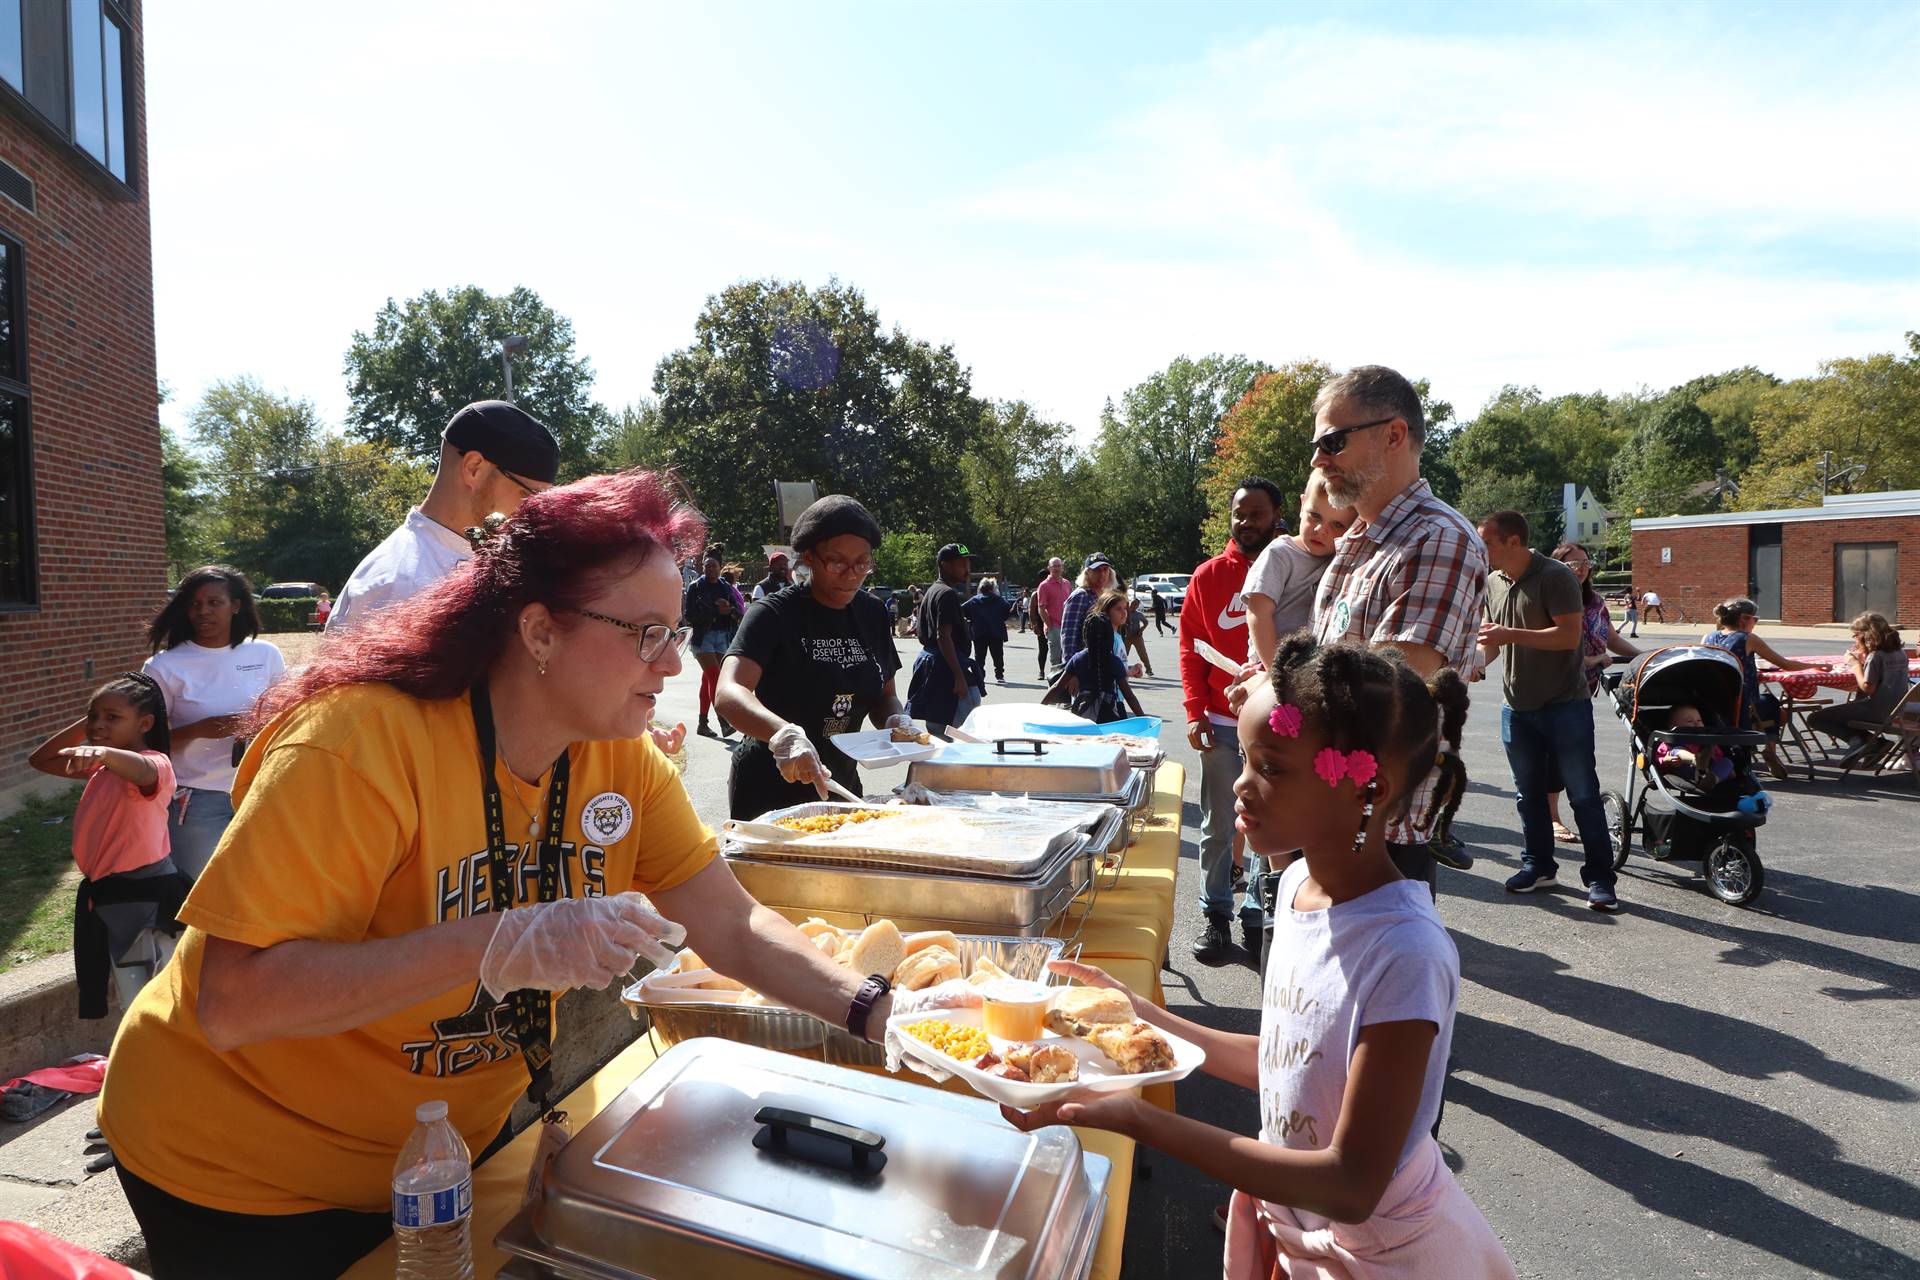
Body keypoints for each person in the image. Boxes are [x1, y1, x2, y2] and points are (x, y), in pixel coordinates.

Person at [98, 473, 962, 1278]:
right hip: (237, 1172)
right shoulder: (358, 744)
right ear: (541, 630)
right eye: (646, 633)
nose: (672, 664)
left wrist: (885, 1012)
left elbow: (733, 926)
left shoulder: (617, 761)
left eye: (675, 631)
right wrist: (496, 939)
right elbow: (236, 1001)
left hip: (430, 1158)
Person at [1003, 639, 1512, 1280]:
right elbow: (1288, 1062)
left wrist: (1141, 1120)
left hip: (1384, 1253)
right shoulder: (1297, 886)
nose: (1241, 784)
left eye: (1272, 767)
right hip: (1301, 1228)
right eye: (1245, 759)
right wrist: (1140, 1018)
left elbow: (1352, 1184)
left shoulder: (1405, 952)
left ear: (1369, 787)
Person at [1305, 366, 1486, 889]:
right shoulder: (1360, 538)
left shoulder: (1437, 538)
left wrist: (1273, 694)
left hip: (1376, 826)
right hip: (1329, 807)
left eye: (1333, 442)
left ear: (1394, 434)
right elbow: (1330, 659)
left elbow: (1387, 690)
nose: (1319, 460)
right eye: (1317, 445)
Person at [716, 496, 909, 819]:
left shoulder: (872, 613)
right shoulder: (774, 613)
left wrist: (896, 721)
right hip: (770, 783)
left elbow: (884, 695)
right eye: (837, 563)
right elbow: (728, 691)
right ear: (809, 557)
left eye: (862, 563)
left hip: (839, 783)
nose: (851, 575)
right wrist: (784, 735)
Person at [1476, 511, 1620, 910]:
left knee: (1583, 795)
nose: (1481, 549)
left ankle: (1600, 879)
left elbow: (1567, 637)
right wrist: (1470, 666)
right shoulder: (1493, 582)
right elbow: (1493, 639)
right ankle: (1539, 866)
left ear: (1514, 542)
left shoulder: (1556, 576)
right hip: (1516, 707)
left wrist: (1508, 635)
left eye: (1487, 542)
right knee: (1528, 795)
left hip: (1564, 705)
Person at [29, 672, 188, 1016]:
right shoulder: (100, 769)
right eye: (94, 716)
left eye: (113, 718)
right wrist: (91, 730)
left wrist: (102, 749)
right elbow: (40, 760)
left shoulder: (155, 765)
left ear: (144, 723)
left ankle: (165, 1064)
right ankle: (141, 1065)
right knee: (133, 1004)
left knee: (159, 1005)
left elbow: (143, 769)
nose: (99, 724)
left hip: (147, 902)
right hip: (109, 900)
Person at [327, 400, 557, 631]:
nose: (532, 512)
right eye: (528, 495)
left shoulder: (481, 555)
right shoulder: (400, 589)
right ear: (473, 468)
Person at [1180, 477, 1286, 963]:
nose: (1246, 522)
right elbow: (1190, 649)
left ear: (1277, 516)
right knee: (1219, 823)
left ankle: (1257, 915)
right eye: (1239, 513)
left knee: (1268, 824)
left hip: (1274, 726)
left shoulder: (1295, 568)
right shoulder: (1208, 576)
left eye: (1256, 513)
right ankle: (1215, 915)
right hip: (1221, 725)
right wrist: (1195, 710)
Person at [141, 567, 286, 883]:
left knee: (258, 888)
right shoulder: (163, 667)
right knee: (198, 893)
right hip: (195, 800)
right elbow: (144, 746)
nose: (203, 611)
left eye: (213, 602)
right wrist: (200, 729)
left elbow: (284, 715)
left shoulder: (265, 654)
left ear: (235, 606)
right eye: (194, 604)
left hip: (258, 790)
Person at [1544, 542, 1639, 844]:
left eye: (1586, 562)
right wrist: (1594, 660)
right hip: (1552, 686)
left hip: (1583, 688)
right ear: (1559, 567)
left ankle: (1577, 819)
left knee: (1578, 756)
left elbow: (1611, 638)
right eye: (1574, 564)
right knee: (1555, 755)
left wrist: (1645, 658)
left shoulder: (1595, 601)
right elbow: (1556, 647)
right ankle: (1552, 818)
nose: (1583, 568)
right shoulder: (1551, 599)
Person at [1701, 596, 1823, 780]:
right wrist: (1815, 667)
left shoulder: (1708, 637)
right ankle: (1770, 750)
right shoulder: (1747, 639)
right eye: (1755, 619)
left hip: (1716, 704)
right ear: (1744, 619)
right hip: (1741, 705)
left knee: (1766, 704)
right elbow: (1785, 664)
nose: (1755, 623)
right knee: (1773, 705)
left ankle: (1764, 750)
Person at [1243, 474, 1352, 670]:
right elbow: (1257, 613)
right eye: (1315, 516)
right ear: (1302, 505)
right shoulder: (1280, 554)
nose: (1321, 529)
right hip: (1269, 662)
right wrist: (1273, 671)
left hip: (1307, 668)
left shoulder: (1339, 560)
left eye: (1337, 525)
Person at [1807, 612, 1912, 755]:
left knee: (1816, 718)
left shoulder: (1875, 656)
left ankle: (1859, 741)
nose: (1855, 641)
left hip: (1877, 710)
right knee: (1847, 710)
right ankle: (1871, 742)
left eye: (1856, 636)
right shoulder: (1899, 652)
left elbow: (1868, 688)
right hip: (1898, 710)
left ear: (1865, 636)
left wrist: (1855, 665)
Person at [906, 544, 981, 739]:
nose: (967, 568)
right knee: (964, 734)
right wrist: (959, 676)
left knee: (939, 728)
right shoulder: (946, 594)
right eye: (961, 563)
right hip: (947, 669)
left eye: (968, 563)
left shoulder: (932, 590)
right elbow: (943, 636)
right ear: (944, 565)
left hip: (937, 666)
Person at [1043, 614, 1145, 722]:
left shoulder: (1078, 659)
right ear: (1110, 636)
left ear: (1085, 635)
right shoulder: (1114, 662)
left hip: (1082, 716)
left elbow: (1057, 687)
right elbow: (1129, 696)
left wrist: (1039, 708)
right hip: (1109, 717)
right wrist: (1144, 720)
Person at [687, 552, 746, 738]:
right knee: (715, 677)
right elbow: (689, 616)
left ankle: (702, 723)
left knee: (708, 679)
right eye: (707, 566)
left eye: (713, 566)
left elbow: (738, 611)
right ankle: (723, 721)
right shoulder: (695, 587)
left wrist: (728, 610)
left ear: (720, 568)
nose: (710, 569)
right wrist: (714, 611)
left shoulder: (725, 587)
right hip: (703, 637)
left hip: (722, 636)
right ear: (703, 568)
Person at [1655, 704, 1735, 786]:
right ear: (1673, 727)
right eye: (1690, 721)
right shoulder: (1670, 741)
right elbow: (1658, 757)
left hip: (1707, 771)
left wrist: (1725, 770)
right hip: (1686, 768)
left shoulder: (1706, 740)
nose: (1697, 724)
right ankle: (1694, 759)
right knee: (1676, 750)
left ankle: (1711, 780)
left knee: (1727, 762)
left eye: (1699, 720)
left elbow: (1718, 757)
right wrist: (1666, 760)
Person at [1060, 553, 1117, 669]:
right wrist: (1071, 671)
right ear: (1087, 573)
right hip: (1084, 665)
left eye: (1105, 569)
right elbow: (1069, 636)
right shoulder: (1080, 596)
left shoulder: (1105, 596)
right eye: (1096, 570)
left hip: (1102, 664)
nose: (1102, 574)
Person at [961, 576, 1015, 684]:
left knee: (979, 656)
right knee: (998, 655)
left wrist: (971, 618)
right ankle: (999, 675)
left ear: (981, 589)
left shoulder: (974, 600)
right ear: (992, 588)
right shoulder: (999, 600)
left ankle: (980, 675)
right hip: (996, 631)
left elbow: (962, 609)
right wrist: (1000, 619)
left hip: (979, 632)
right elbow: (1007, 610)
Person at [1034, 557, 1073, 674]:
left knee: (1068, 657)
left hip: (1067, 626)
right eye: (1054, 566)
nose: (1056, 568)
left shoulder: (1067, 583)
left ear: (1062, 568)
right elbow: (1041, 608)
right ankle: (1055, 686)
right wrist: (1049, 626)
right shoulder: (1044, 585)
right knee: (1056, 659)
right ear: (1049, 568)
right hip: (1054, 626)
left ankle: (1065, 686)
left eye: (1058, 566)